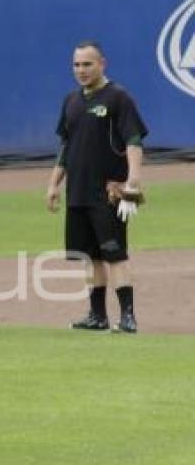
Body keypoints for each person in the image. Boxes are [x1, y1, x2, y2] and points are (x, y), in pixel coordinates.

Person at [46, 40, 148, 333]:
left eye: (87, 64)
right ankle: (97, 315)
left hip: (108, 192)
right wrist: (53, 184)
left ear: (102, 63)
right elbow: (66, 146)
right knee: (90, 257)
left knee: (115, 254)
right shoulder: (71, 101)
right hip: (77, 192)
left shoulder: (118, 98)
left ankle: (128, 316)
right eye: (76, 65)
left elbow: (134, 141)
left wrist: (134, 180)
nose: (81, 70)